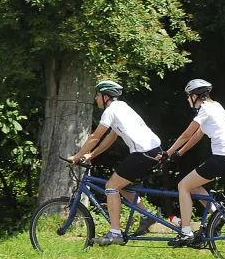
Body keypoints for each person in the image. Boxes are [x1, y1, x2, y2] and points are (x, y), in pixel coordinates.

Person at [69, 80, 162, 245]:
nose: (95, 98)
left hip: (143, 153)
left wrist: (77, 156)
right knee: (122, 185)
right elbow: (111, 137)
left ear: (106, 97)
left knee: (111, 187)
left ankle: (115, 233)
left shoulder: (110, 111)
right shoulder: (123, 108)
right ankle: (146, 216)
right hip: (153, 151)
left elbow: (95, 137)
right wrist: (91, 155)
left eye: (97, 95)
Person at [159, 80, 225, 247]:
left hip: (223, 157)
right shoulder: (215, 106)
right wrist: (179, 153)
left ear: (195, 96)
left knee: (183, 186)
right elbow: (197, 135)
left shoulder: (204, 109)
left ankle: (186, 232)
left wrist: (167, 153)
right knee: (195, 186)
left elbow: (186, 134)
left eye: (189, 97)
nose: (188, 100)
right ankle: (217, 216)